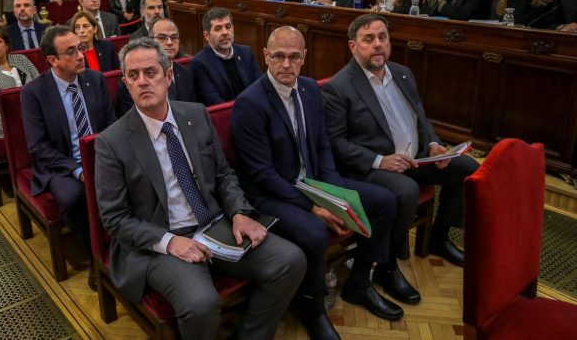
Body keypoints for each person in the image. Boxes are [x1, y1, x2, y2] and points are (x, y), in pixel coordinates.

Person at [94, 37, 306, 340]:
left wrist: (240, 212)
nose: (142, 82)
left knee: (291, 260)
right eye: (133, 75)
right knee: (201, 303)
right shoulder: (112, 142)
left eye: (151, 72)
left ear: (168, 76)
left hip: (214, 224)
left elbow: (223, 175)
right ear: (125, 82)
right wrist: (169, 242)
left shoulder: (195, 114)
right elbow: (115, 218)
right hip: (160, 240)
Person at [232, 27, 403, 334]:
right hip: (271, 194)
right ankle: (312, 307)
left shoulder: (310, 89)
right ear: (266, 57)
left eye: (294, 57)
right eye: (279, 56)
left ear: (304, 58)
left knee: (385, 202)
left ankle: (360, 283)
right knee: (313, 232)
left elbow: (323, 146)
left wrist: (336, 196)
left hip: (312, 183)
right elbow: (262, 175)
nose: (286, 64)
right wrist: (314, 207)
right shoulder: (250, 103)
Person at [321, 14, 480, 269]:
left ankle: (439, 237)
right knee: (407, 190)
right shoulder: (338, 88)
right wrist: (380, 161)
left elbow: (420, 118)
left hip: (416, 157)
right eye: (368, 39)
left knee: (467, 168)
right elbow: (336, 143)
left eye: (382, 38)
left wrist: (433, 144)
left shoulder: (402, 73)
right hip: (375, 166)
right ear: (353, 46)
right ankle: (390, 263)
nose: (377, 45)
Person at [21, 25, 116, 291]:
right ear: (52, 60)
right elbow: (38, 146)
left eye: (81, 47)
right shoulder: (34, 92)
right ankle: (96, 257)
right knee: (74, 197)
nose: (80, 55)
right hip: (61, 165)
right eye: (71, 51)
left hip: (101, 157)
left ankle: (126, 246)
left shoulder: (94, 80)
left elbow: (110, 124)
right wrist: (77, 169)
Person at [116, 18, 195, 117]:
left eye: (174, 37)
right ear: (151, 41)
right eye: (162, 37)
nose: (170, 42)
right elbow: (129, 118)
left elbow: (191, 109)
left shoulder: (185, 72)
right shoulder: (132, 77)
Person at [190, 7, 260, 106]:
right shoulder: (200, 63)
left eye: (228, 27)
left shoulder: (246, 52)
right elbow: (215, 102)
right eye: (218, 29)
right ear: (207, 35)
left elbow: (259, 88)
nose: (225, 32)